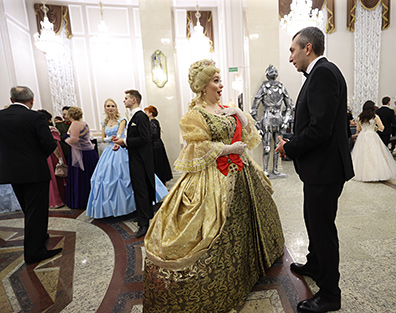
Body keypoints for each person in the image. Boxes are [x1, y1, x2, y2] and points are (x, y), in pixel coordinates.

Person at [143, 59, 284, 312]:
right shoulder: (194, 116)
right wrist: (227, 149)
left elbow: (250, 137)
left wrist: (240, 114)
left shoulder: (225, 108)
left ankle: (251, 266)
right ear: (202, 86)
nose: (221, 85)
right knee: (211, 227)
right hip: (214, 179)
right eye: (216, 81)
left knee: (247, 222)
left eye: (220, 80)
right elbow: (196, 147)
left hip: (242, 174)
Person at [276, 27, 354, 313]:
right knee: (313, 220)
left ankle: (330, 294)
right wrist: (294, 141)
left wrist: (290, 147)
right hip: (322, 168)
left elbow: (320, 129)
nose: (290, 57)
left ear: (307, 48)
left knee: (322, 229)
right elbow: (319, 124)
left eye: (292, 50)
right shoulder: (324, 72)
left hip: (325, 169)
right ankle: (315, 264)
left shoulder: (322, 73)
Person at [0, 86, 62, 264]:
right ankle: (34, 252)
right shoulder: (36, 117)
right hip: (34, 172)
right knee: (37, 211)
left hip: (11, 172)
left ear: (11, 100)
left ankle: (40, 237)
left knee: (28, 209)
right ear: (31, 101)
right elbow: (48, 144)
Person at [113, 90, 155, 238]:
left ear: (134, 99)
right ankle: (145, 214)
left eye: (126, 98)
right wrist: (122, 143)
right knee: (140, 189)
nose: (124, 101)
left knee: (141, 190)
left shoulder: (141, 116)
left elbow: (145, 138)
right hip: (136, 158)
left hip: (141, 160)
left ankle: (144, 224)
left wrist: (125, 141)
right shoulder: (133, 117)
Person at [250, 64, 294, 177]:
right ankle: (265, 169)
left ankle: (275, 169)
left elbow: (289, 106)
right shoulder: (264, 87)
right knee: (267, 146)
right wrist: (258, 125)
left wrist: (285, 121)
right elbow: (253, 109)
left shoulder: (281, 87)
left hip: (278, 119)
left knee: (278, 146)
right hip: (268, 119)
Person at [351, 101, 396, 182]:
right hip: (372, 135)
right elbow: (382, 127)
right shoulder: (375, 117)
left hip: (362, 136)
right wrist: (375, 128)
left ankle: (361, 174)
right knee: (375, 154)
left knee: (361, 155)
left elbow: (358, 129)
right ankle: (376, 174)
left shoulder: (360, 117)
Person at [65, 106, 99, 209]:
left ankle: (82, 201)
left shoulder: (75, 124)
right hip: (88, 153)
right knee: (88, 176)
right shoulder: (84, 123)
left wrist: (65, 139)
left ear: (70, 115)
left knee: (81, 177)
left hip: (81, 154)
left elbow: (74, 140)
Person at [38, 109, 67, 208]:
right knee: (57, 175)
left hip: (45, 155)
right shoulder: (51, 129)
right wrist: (60, 158)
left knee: (51, 177)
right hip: (54, 154)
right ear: (49, 119)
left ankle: (52, 200)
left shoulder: (39, 130)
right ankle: (59, 199)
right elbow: (54, 145)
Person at [144, 105, 173, 184]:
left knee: (157, 165)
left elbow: (153, 135)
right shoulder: (152, 122)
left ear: (150, 113)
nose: (145, 114)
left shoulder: (153, 122)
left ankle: (161, 184)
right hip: (157, 146)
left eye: (146, 112)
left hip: (155, 147)